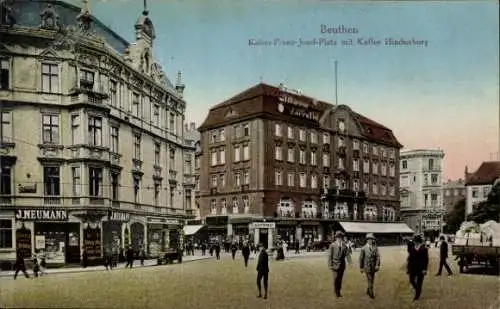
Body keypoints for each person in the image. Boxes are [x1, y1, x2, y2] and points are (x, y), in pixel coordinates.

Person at [328, 231, 351, 297]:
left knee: (340, 279)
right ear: (336, 238)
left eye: (340, 237)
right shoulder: (332, 245)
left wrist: (350, 262)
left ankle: (338, 291)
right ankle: (336, 291)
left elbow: (347, 255)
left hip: (342, 265)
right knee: (335, 278)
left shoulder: (344, 246)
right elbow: (330, 256)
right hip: (334, 265)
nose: (339, 238)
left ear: (342, 238)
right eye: (338, 237)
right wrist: (330, 265)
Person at [408, 234, 429, 301]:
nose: (415, 242)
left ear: (418, 241)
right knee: (411, 280)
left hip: (420, 268)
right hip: (413, 268)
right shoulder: (412, 248)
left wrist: (424, 269)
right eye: (414, 241)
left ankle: (417, 296)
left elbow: (426, 260)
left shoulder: (424, 249)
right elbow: (410, 258)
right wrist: (408, 268)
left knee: (419, 282)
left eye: (416, 241)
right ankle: (417, 289)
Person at [359, 233, 380, 299]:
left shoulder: (375, 248)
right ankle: (371, 293)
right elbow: (361, 258)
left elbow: (378, 257)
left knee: (372, 280)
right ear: (367, 240)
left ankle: (368, 290)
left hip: (373, 267)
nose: (370, 241)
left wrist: (377, 265)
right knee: (370, 280)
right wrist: (361, 267)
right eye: (369, 239)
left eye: (371, 239)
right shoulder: (363, 248)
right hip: (367, 267)